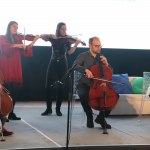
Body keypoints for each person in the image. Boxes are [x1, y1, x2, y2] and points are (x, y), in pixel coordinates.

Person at [73, 36, 117, 129]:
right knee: (83, 93)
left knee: (114, 96)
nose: (99, 48)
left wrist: (107, 63)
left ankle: (101, 118)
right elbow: (75, 65)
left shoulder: (101, 58)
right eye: (96, 46)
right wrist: (86, 70)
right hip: (85, 82)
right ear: (90, 45)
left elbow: (111, 71)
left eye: (100, 46)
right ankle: (89, 116)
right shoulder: (83, 55)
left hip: (98, 84)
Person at [0, 21, 40, 120]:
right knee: (6, 92)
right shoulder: (3, 38)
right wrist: (17, 45)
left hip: (16, 68)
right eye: (14, 26)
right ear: (9, 27)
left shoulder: (18, 39)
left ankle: (11, 113)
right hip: (6, 67)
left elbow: (26, 51)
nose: (16, 29)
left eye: (17, 27)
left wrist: (34, 41)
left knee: (15, 92)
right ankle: (4, 113)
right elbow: (5, 49)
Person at [41, 22, 81, 116]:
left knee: (61, 87)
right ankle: (48, 109)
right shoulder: (53, 38)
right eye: (62, 29)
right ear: (58, 29)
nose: (64, 31)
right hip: (53, 63)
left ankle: (58, 109)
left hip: (63, 64)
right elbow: (42, 36)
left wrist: (75, 45)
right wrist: (50, 35)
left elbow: (70, 52)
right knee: (48, 86)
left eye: (65, 29)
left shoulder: (67, 40)